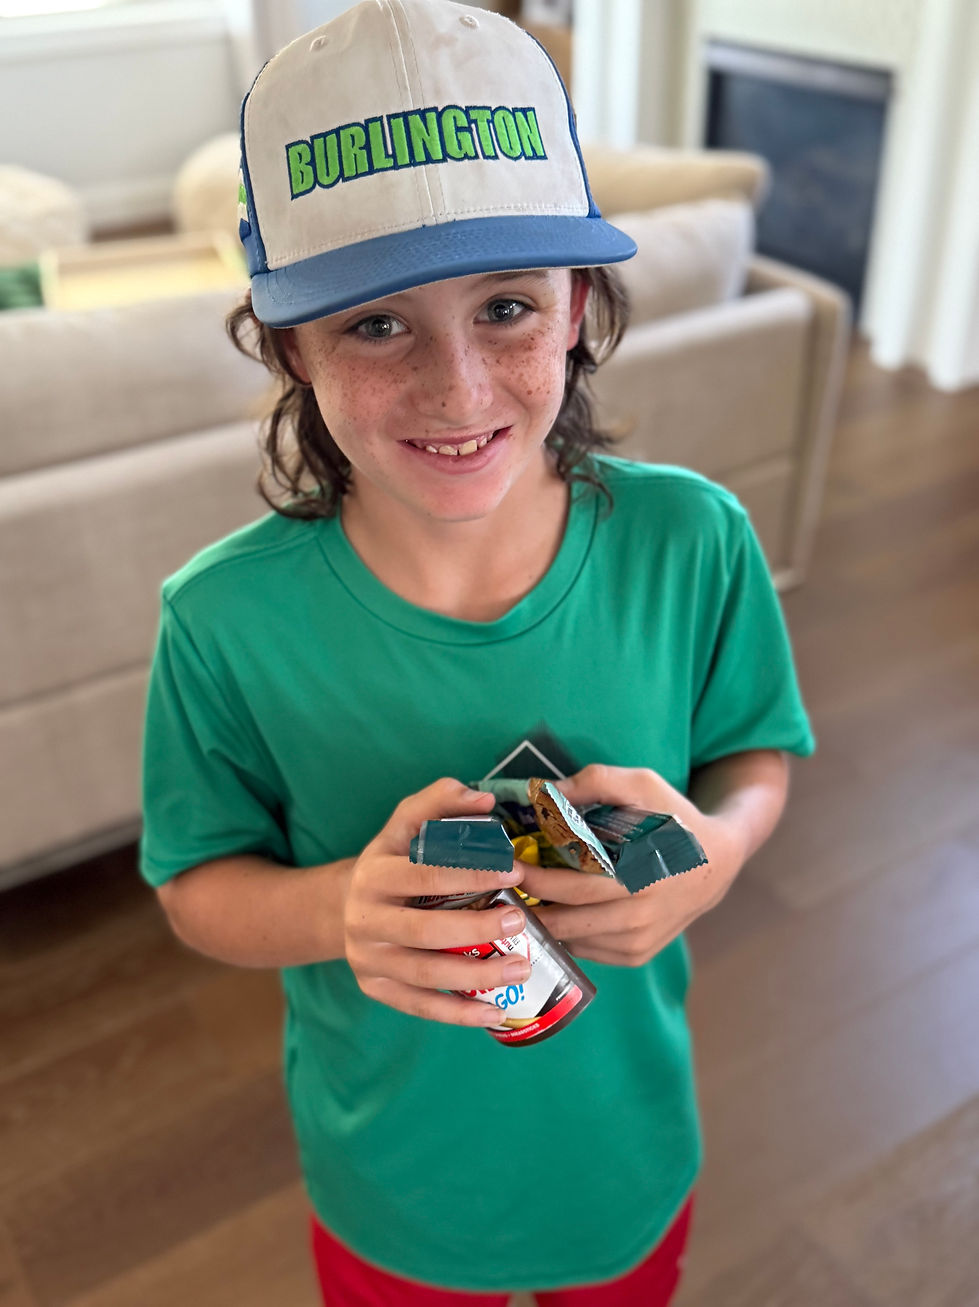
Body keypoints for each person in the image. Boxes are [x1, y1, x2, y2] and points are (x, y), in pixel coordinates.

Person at [140, 2, 814, 1303]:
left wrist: (714, 856)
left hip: (625, 1153)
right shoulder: (221, 621)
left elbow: (758, 758)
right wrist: (337, 908)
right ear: (290, 347)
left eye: (504, 305)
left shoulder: (695, 540)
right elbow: (195, 885)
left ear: (578, 308)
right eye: (376, 325)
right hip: (394, 1177)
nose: (458, 392)